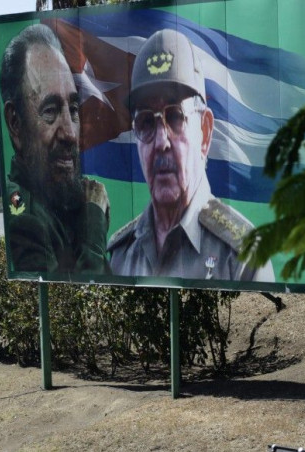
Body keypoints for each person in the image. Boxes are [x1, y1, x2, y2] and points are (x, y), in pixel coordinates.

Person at [107, 29, 275, 282]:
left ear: (205, 132)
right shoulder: (122, 254)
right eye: (146, 123)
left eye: (175, 117)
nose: (161, 142)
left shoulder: (243, 257)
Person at [0, 24, 110, 274]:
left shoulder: (58, 202)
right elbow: (73, 303)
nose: (70, 133)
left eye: (73, 109)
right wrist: (93, 226)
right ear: (15, 123)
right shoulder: (24, 217)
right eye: (50, 111)